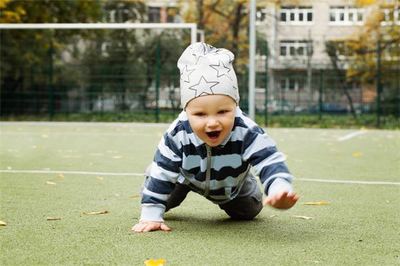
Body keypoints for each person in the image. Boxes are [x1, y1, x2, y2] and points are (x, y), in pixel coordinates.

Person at [132, 42, 299, 233]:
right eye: (200, 114)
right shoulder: (178, 133)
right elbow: (162, 172)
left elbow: (269, 160)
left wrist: (279, 188)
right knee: (162, 192)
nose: (212, 122)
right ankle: (156, 188)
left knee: (248, 211)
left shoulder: (246, 131)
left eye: (222, 111)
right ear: (187, 111)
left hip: (230, 185)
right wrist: (151, 214)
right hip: (184, 177)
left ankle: (246, 180)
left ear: (235, 106)